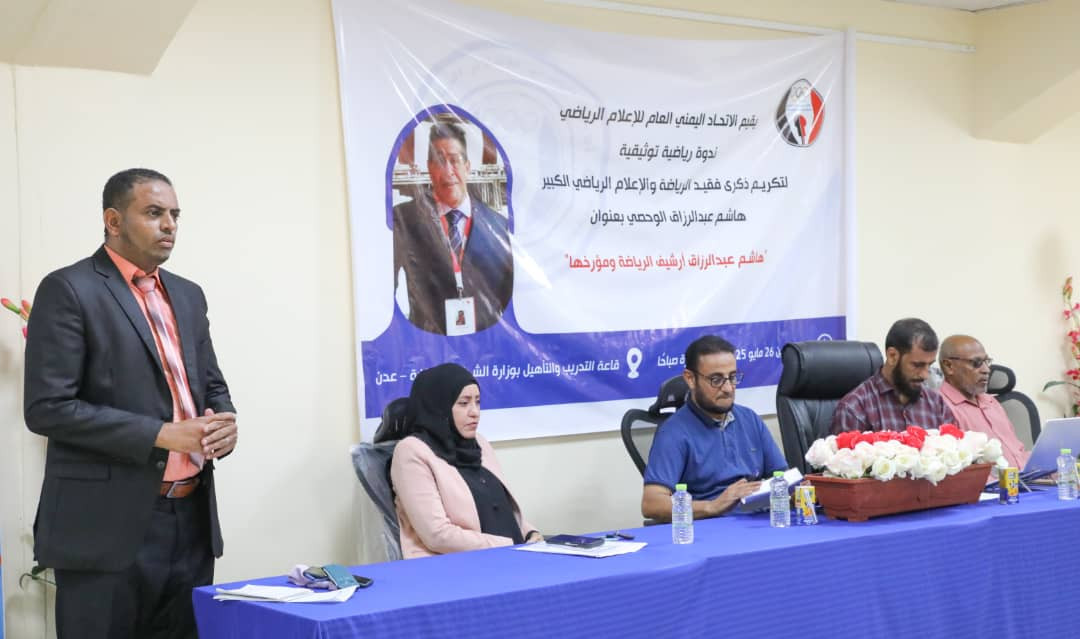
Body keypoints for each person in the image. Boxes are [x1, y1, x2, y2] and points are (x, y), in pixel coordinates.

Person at [23, 168, 237, 639]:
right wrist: (160, 434)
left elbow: (210, 384)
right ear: (114, 221)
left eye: (175, 214)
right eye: (154, 213)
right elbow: (47, 408)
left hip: (191, 521)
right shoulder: (69, 289)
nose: (170, 225)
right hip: (104, 529)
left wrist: (224, 422)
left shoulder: (188, 294)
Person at [390, 363, 541, 558]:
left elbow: (499, 508)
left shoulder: (478, 443)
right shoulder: (411, 452)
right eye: (463, 403)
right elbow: (437, 535)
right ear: (439, 407)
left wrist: (529, 533)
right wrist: (507, 545)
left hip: (508, 555)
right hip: (457, 564)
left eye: (477, 402)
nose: (474, 412)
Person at [641, 335, 787, 521]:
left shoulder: (750, 418)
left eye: (732, 377)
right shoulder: (673, 432)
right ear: (690, 379)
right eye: (716, 380)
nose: (728, 388)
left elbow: (782, 478)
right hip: (711, 527)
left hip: (760, 522)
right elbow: (652, 504)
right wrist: (713, 506)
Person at [392, 120, 513, 335]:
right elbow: (385, 291)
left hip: (486, 344)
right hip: (428, 343)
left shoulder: (497, 226)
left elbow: (509, 300)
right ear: (429, 168)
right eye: (439, 161)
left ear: (467, 167)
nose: (448, 171)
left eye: (454, 160)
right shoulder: (404, 220)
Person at [831, 317, 955, 434]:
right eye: (917, 365)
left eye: (929, 365)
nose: (925, 375)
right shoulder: (855, 408)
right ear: (892, 356)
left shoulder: (937, 404)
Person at [939, 334, 1030, 468]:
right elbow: (961, 471)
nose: (986, 370)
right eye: (976, 363)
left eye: (987, 362)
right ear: (949, 366)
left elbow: (1017, 450)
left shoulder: (991, 402)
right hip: (996, 482)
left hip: (1028, 477)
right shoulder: (940, 407)